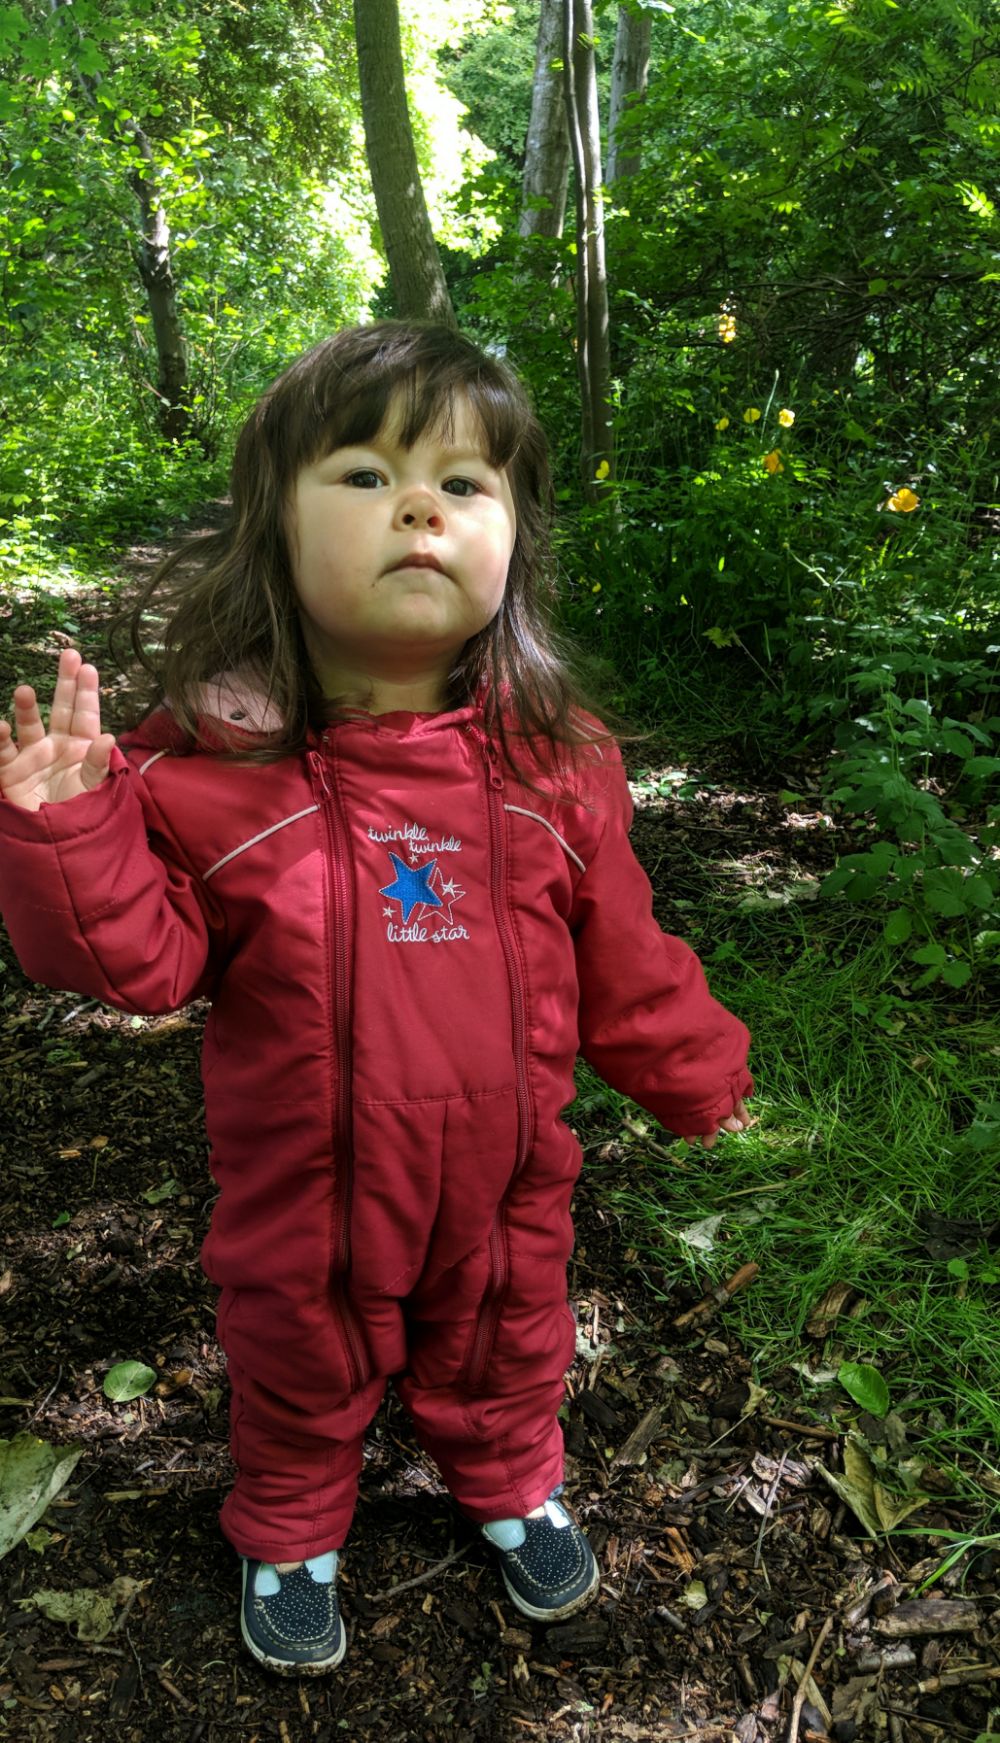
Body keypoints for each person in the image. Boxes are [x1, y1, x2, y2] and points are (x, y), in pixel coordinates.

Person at [0, 321, 753, 1677]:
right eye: (364, 475)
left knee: (508, 1327)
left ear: (513, 538)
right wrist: (70, 833)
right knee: (299, 1346)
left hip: (507, 1171)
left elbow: (627, 954)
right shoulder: (210, 777)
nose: (420, 507)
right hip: (309, 1182)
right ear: (274, 533)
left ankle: (511, 1478)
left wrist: (699, 1073)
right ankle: (292, 1522)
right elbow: (137, 967)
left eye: (463, 482)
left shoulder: (557, 765)